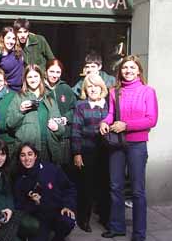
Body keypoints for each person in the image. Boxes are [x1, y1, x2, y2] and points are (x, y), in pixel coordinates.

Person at [100, 55, 158, 241]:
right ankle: (117, 227)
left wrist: (126, 125)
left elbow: (151, 119)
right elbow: (110, 114)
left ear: (139, 71)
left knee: (137, 190)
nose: (128, 71)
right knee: (115, 187)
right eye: (125, 68)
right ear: (120, 71)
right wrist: (104, 122)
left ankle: (139, 233)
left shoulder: (148, 91)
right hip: (116, 144)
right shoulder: (114, 92)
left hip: (137, 145)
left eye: (132, 68)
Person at [13, 142, 76, 241]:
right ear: (19, 158)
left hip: (57, 211)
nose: (26, 158)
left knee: (68, 221)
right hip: (39, 217)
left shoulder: (51, 169)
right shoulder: (19, 178)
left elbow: (69, 188)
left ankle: (58, 238)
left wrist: (68, 205)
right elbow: (19, 205)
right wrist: (33, 203)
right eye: (22, 155)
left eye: (30, 154)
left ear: (35, 155)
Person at [71, 74, 109, 232]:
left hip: (106, 151)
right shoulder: (81, 106)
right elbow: (75, 131)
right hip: (87, 151)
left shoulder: (108, 105)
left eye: (96, 86)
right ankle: (83, 220)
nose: (93, 89)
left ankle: (106, 219)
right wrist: (77, 153)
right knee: (86, 187)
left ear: (102, 87)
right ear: (85, 89)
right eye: (89, 86)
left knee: (105, 186)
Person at [6, 64, 65, 164]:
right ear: (25, 79)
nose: (33, 80)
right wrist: (21, 111)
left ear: (41, 77)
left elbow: (61, 128)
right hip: (27, 151)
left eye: (36, 76)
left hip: (48, 149)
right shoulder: (19, 97)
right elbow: (10, 123)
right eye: (29, 77)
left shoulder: (49, 99)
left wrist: (57, 128)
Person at [44, 59, 76, 167]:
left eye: (58, 72)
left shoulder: (66, 89)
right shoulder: (40, 88)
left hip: (63, 137)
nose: (54, 75)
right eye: (51, 71)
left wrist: (65, 119)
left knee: (62, 171)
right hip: (46, 136)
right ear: (46, 71)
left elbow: (74, 109)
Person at [0, 68, 17, 158]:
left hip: (9, 141)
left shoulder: (13, 96)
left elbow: (16, 119)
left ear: (5, 81)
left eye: (0, 80)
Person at [0, 26, 24, 92]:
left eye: (13, 39)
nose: (11, 41)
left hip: (21, 89)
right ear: (3, 38)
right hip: (8, 90)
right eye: (8, 38)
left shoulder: (18, 51)